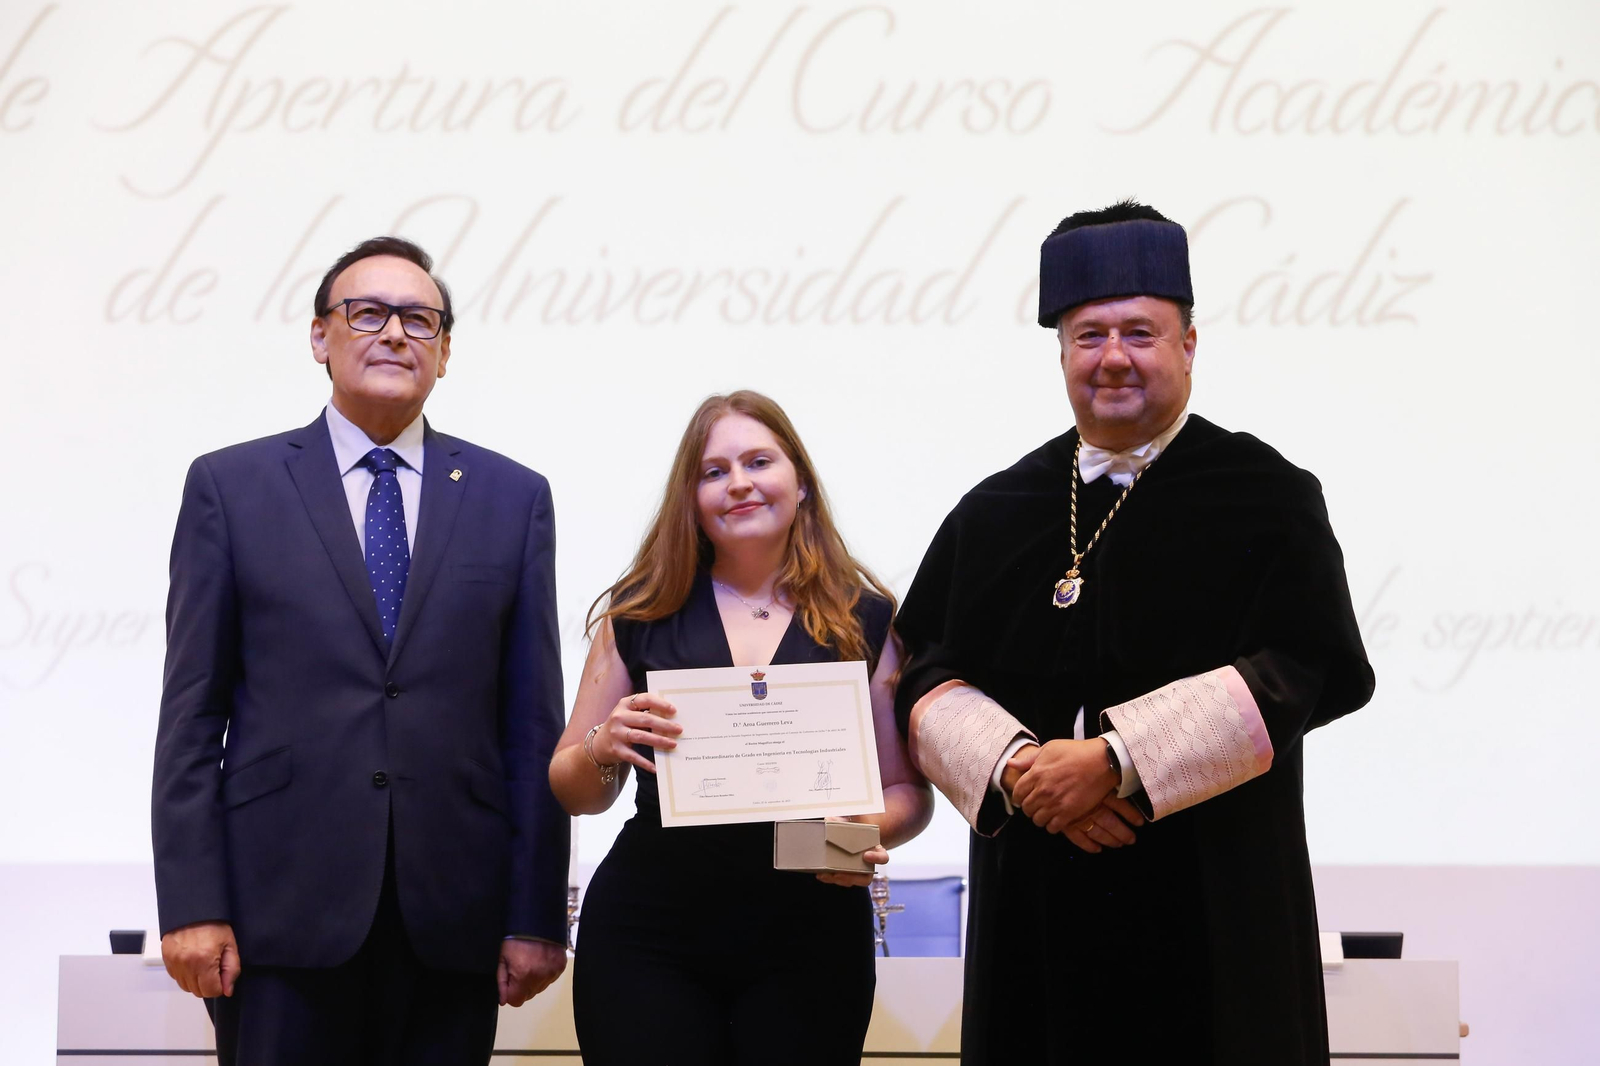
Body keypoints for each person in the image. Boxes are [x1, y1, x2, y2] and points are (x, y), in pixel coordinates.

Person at [893, 201, 1375, 1065]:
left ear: (1190, 344)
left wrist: (1115, 764)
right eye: (1089, 335)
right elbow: (925, 673)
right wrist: (1021, 771)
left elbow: (1308, 666)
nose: (1113, 358)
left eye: (1140, 333)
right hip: (1039, 915)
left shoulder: (1266, 495)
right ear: (1062, 352)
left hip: (1214, 908)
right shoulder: (994, 511)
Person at [151, 236, 569, 1065]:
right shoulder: (231, 488)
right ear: (320, 337)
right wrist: (192, 903)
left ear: (445, 351)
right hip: (277, 915)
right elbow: (191, 716)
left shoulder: (511, 498)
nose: (394, 335)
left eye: (419, 320)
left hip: (451, 918)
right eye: (366, 313)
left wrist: (534, 914)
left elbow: (531, 726)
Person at [551, 390, 932, 1065]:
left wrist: (853, 841)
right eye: (714, 471)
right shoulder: (640, 613)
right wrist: (603, 746)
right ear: (690, 497)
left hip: (812, 929)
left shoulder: (864, 619)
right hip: (650, 931)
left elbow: (906, 793)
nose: (740, 484)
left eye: (759, 461)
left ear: (801, 481)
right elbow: (574, 790)